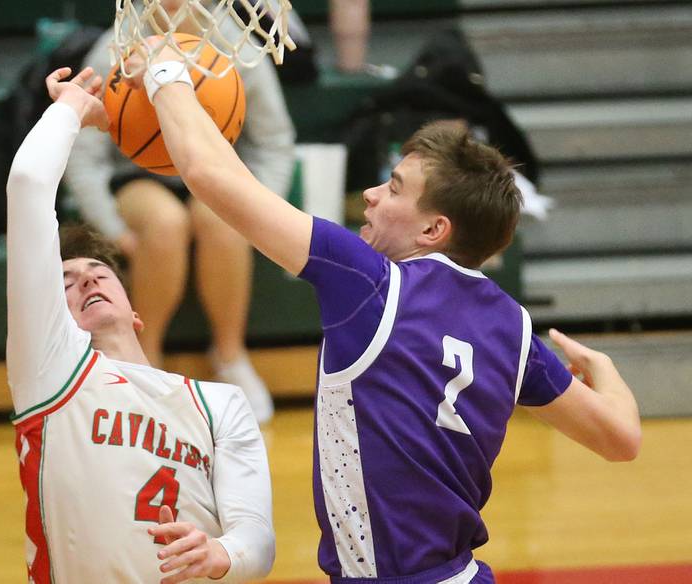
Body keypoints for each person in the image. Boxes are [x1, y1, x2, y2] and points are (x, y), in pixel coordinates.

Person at [111, 42, 643, 583]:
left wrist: (166, 72)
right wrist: (609, 373)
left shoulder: (369, 282)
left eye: (393, 189)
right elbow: (621, 440)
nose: (368, 195)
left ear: (434, 230)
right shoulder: (514, 327)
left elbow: (209, 177)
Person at [6, 66, 274, 583]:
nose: (84, 281)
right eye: (64, 282)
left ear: (135, 310)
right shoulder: (51, 371)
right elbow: (28, 184)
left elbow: (256, 540)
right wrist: (70, 110)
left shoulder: (221, 405)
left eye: (98, 272)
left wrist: (222, 554)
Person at [63, 4, 297, 425]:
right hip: (135, 179)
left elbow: (275, 140)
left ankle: (230, 355)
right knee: (166, 221)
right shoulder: (114, 47)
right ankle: (145, 359)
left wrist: (264, 211)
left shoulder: (236, 46)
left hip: (209, 170)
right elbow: (82, 152)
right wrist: (112, 227)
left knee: (224, 218)